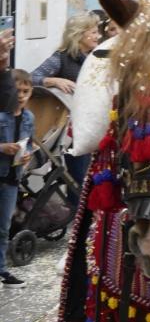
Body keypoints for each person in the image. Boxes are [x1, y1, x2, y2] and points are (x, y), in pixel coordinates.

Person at [31, 13, 101, 201]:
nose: (98, 36)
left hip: (97, 124)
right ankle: (77, 219)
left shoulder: (97, 58)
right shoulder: (61, 58)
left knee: (94, 177)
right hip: (72, 132)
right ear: (79, 35)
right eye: (93, 32)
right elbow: (29, 78)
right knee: (79, 177)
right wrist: (51, 80)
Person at [0, 69, 34, 289]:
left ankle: (1, 270)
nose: (21, 95)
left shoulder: (29, 117)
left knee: (3, 227)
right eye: (16, 90)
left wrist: (27, 156)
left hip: (12, 179)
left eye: (25, 91)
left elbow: (29, 144)